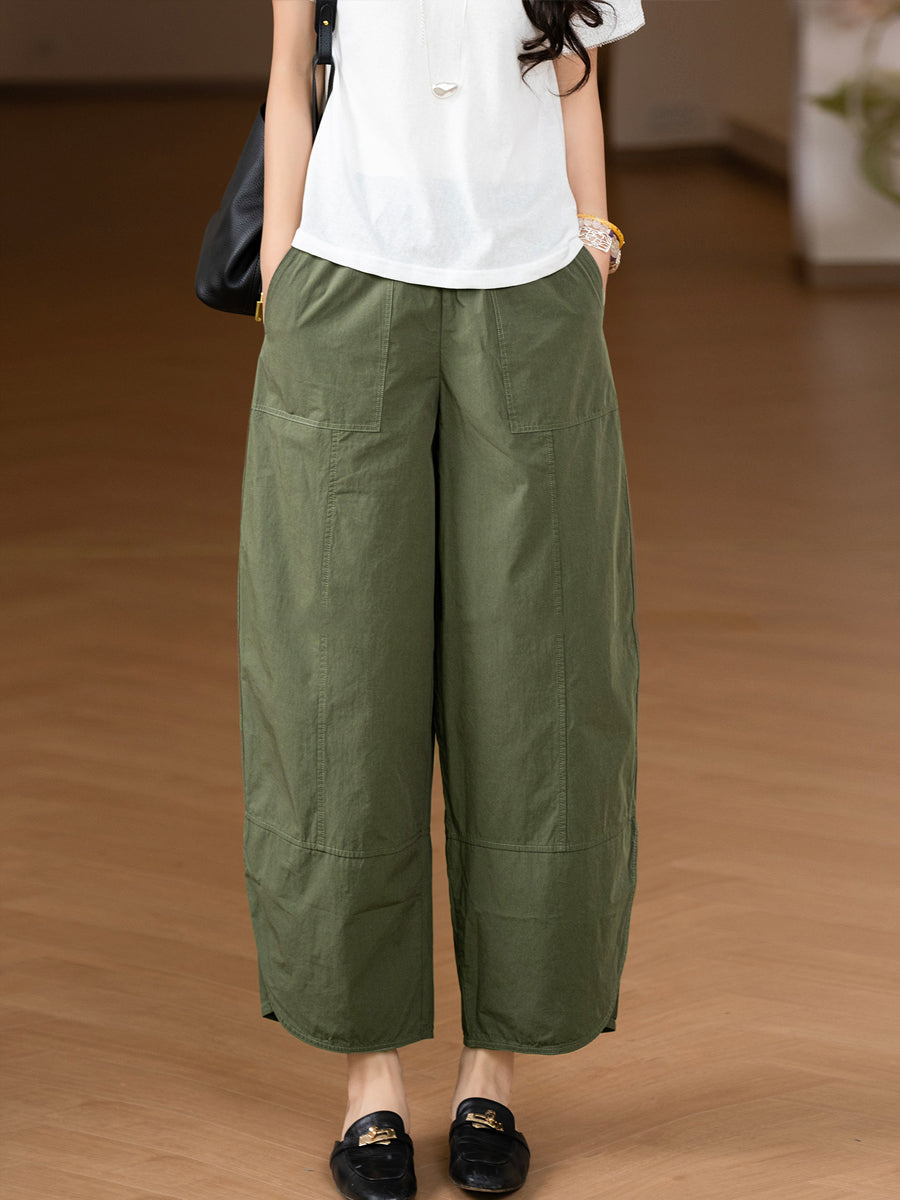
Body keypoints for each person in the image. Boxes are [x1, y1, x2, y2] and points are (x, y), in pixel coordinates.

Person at [238, 2, 645, 1197]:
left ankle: (492, 1073)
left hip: (533, 295)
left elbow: (574, 76)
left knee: (540, 682)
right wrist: (281, 277)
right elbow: (289, 74)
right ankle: (368, 1082)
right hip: (345, 288)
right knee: (337, 680)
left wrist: (594, 243)